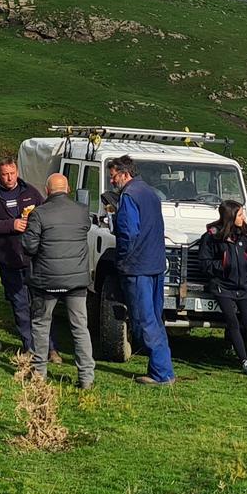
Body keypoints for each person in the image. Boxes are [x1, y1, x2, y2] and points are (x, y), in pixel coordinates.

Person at [19, 171, 94, 389]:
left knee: (41, 325)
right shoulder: (82, 212)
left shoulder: (39, 214)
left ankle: (40, 373)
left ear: (47, 190)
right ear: (68, 189)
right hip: (77, 280)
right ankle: (86, 377)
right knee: (80, 327)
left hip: (46, 280)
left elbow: (30, 246)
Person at [108, 155, 174, 385]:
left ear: (125, 174)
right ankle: (160, 367)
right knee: (155, 318)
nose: (112, 182)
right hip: (155, 263)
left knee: (144, 320)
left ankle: (162, 373)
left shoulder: (128, 196)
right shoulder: (150, 192)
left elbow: (128, 232)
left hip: (138, 266)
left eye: (113, 176)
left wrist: (123, 259)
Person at [197, 199, 247, 378]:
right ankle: (245, 361)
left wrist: (245, 267)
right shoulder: (212, 236)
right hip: (223, 287)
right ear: (230, 216)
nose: (243, 217)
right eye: (240, 214)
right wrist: (225, 266)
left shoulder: (246, 234)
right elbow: (205, 263)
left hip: (242, 286)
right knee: (233, 323)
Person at [0, 157, 42, 344]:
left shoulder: (30, 192)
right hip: (7, 257)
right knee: (19, 303)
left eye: (12, 173)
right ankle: (29, 345)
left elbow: (45, 213)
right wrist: (11, 224)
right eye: (5, 174)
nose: (9, 178)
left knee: (39, 304)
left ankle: (49, 346)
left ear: (17, 172)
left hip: (33, 257)